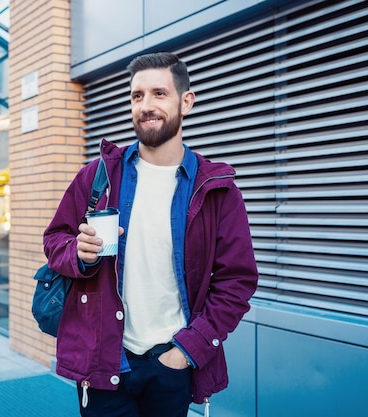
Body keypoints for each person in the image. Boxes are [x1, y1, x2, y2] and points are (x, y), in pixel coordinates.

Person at [43, 52, 258, 417]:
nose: (146, 105)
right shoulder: (99, 175)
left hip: (171, 362)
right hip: (105, 364)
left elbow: (237, 282)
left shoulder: (216, 189)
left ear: (185, 101)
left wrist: (188, 351)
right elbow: (54, 241)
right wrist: (79, 253)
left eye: (159, 93)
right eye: (137, 95)